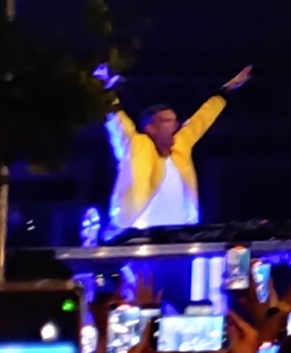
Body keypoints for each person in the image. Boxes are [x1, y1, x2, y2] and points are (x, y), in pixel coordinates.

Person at [104, 65, 252, 236]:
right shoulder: (135, 144)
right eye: (167, 121)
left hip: (180, 236)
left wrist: (226, 90)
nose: (175, 125)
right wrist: (105, 88)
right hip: (139, 238)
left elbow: (202, 118)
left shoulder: (180, 145)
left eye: (175, 120)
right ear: (150, 128)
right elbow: (115, 117)